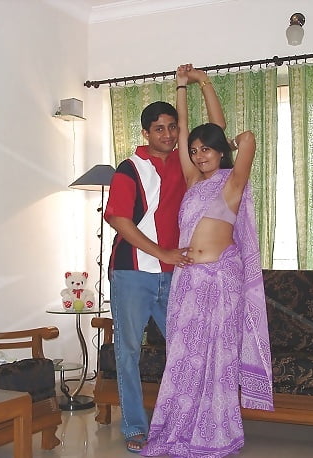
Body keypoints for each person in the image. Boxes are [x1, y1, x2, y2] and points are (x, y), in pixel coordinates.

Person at [141, 66, 274, 457]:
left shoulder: (232, 182)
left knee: (217, 359)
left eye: (206, 149)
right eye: (195, 150)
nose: (199, 155)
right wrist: (181, 86)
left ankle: (215, 434)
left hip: (221, 279)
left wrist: (205, 84)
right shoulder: (194, 180)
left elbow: (248, 140)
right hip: (189, 279)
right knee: (183, 358)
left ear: (220, 152)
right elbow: (183, 132)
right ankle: (177, 428)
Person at [103, 67, 226, 454]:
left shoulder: (185, 161)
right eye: (160, 129)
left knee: (185, 349)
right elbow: (119, 220)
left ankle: (181, 422)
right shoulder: (129, 169)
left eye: (172, 127)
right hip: (132, 273)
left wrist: (195, 83)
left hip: (175, 276)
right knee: (128, 351)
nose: (169, 134)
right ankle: (135, 426)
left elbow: (217, 132)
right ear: (146, 133)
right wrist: (163, 253)